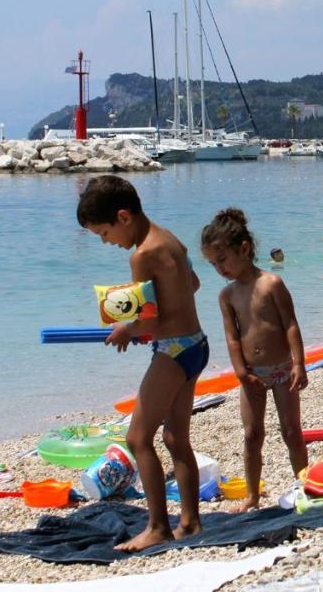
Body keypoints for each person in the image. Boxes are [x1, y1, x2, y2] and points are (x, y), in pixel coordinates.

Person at [76, 176, 208, 551]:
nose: (106, 242)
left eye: (104, 234)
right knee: (175, 438)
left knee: (137, 438)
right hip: (196, 344)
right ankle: (191, 522)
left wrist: (126, 329)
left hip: (173, 351)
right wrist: (149, 319)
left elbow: (146, 321)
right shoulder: (169, 238)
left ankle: (157, 527)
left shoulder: (141, 255)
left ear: (123, 217)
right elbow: (192, 284)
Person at [201, 208, 308, 512]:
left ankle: (305, 485)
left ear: (244, 249)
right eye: (212, 263)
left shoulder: (271, 284)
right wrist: (240, 372)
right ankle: (252, 496)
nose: (218, 268)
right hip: (250, 374)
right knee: (251, 435)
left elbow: (290, 324)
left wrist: (299, 363)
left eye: (222, 260)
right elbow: (232, 337)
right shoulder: (227, 296)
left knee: (291, 431)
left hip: (283, 370)